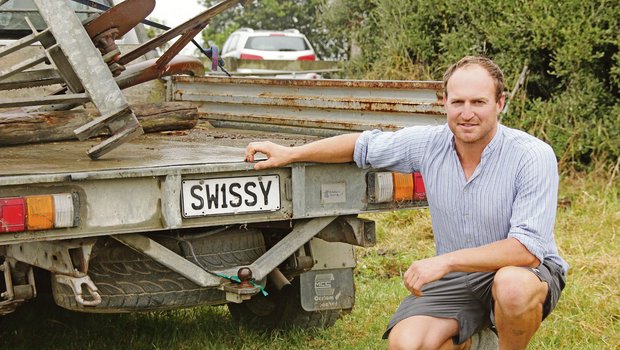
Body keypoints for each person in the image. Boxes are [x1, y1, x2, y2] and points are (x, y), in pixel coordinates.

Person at [244, 56, 567, 350]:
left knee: (510, 286)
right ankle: (477, 340)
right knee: (407, 344)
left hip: (525, 272)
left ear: (499, 103)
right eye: (458, 102)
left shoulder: (531, 155)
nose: (467, 113)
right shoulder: (429, 143)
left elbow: (527, 248)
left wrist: (445, 262)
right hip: (459, 279)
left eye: (478, 102)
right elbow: (362, 146)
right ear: (444, 102)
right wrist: (292, 153)